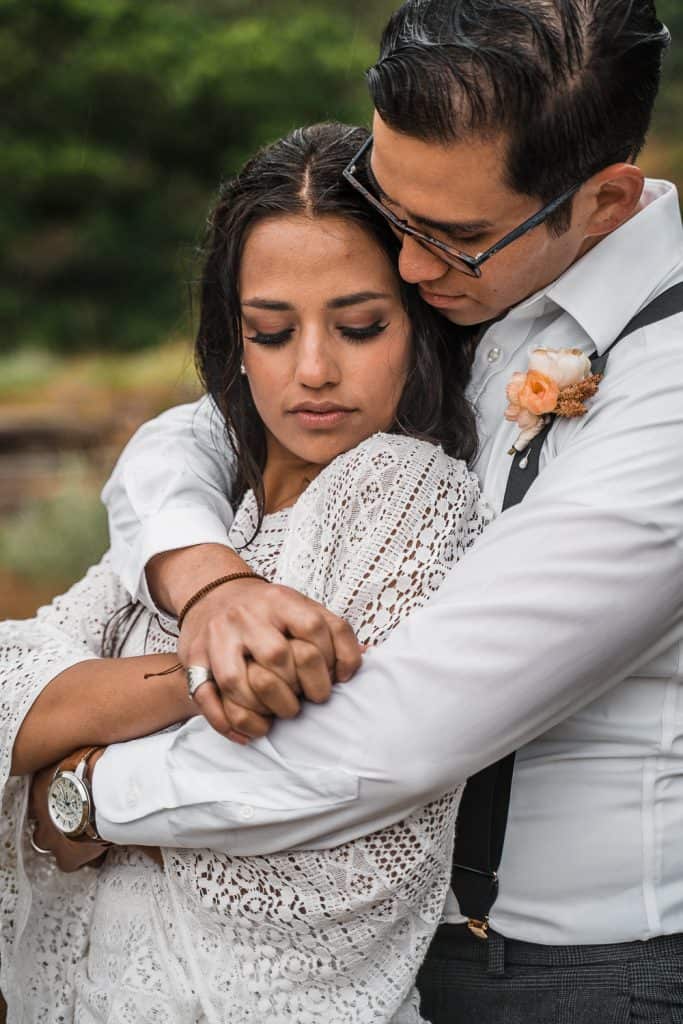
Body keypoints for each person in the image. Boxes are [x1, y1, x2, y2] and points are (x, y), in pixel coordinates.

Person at [80, 1, 683, 1021]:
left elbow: (397, 731)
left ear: (606, 202)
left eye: (446, 239)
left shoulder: (663, 396)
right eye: (391, 212)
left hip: (574, 978)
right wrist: (206, 574)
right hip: (382, 962)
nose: (404, 266)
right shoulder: (475, 281)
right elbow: (192, 431)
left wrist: (90, 795)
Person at [0, 122, 495, 1023]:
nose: (313, 370)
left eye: (359, 326)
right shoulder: (207, 514)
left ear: (418, 324)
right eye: (272, 331)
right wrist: (212, 672)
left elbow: (341, 833)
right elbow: (14, 690)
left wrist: (71, 795)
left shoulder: (403, 488)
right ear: (232, 336)